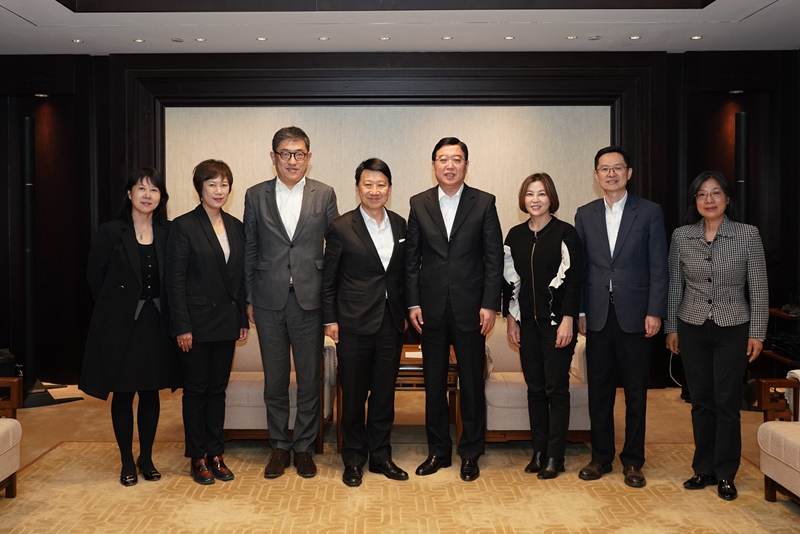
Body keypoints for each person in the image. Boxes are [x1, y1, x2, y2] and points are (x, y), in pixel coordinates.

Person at [665, 171, 768, 501]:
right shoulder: (682, 236)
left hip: (733, 326)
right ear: (694, 201)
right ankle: (704, 468)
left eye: (716, 193)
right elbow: (674, 285)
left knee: (726, 402)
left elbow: (759, 288)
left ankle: (725, 473)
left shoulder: (747, 234)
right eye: (702, 194)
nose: (709, 200)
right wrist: (671, 328)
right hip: (691, 325)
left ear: (727, 198)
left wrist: (757, 332)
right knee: (700, 401)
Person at [406, 137, 503, 482]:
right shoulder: (418, 203)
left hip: (472, 308)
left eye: (457, 159)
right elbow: (411, 259)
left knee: (471, 384)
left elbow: (494, 258)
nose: (450, 165)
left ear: (466, 165)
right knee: (433, 384)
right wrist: (413, 302)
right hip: (430, 308)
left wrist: (490, 304)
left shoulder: (484, 202)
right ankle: (438, 451)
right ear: (433, 165)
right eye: (443, 159)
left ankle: (471, 453)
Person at [244, 126, 339, 479]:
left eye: (299, 154)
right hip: (268, 300)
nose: (292, 160)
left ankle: (303, 448)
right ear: (273, 157)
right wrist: (249, 298)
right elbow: (250, 249)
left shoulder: (324, 194)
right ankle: (279, 446)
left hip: (309, 301)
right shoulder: (255, 195)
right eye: (285, 153)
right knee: (275, 381)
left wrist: (332, 303)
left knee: (310, 380)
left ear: (309, 157)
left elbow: (335, 251)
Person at [574, 146, 668, 488]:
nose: (611, 174)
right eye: (604, 169)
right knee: (599, 390)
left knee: (635, 392)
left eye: (617, 168)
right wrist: (580, 310)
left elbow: (659, 265)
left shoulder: (649, 212)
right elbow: (580, 269)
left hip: (637, 315)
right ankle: (601, 457)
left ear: (628, 173)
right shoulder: (585, 214)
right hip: (598, 314)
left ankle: (633, 460)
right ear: (596, 175)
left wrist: (655, 310)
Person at [81, 167, 180, 487]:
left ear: (161, 197)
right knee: (123, 394)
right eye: (141, 188)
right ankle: (126, 459)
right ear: (129, 193)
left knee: (150, 393)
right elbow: (95, 275)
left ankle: (146, 457)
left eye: (154, 190)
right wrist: (114, 309)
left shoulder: (169, 232)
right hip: (121, 325)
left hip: (156, 324)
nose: (147, 195)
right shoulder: (111, 231)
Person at [321, 158, 409, 487]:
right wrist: (329, 319)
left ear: (389, 188)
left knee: (384, 396)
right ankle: (354, 458)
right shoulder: (341, 226)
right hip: (353, 323)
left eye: (380, 184)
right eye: (367, 184)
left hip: (390, 322)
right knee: (354, 396)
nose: (374, 190)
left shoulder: (400, 225)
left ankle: (381, 456)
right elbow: (329, 280)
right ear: (357, 188)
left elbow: (404, 274)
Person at [166, 159, 249, 485]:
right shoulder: (184, 226)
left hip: (226, 322)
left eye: (224, 184)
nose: (219, 190)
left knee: (217, 391)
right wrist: (182, 325)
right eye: (212, 184)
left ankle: (216, 453)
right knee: (196, 391)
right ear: (199, 188)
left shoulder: (236, 226)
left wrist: (241, 318)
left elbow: (239, 279)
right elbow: (175, 281)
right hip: (196, 325)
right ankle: (197, 456)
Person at [502, 173, 583, 479]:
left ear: (551, 198)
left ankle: (555, 455)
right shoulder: (514, 235)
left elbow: (574, 281)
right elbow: (510, 283)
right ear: (523, 199)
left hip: (555, 325)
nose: (535, 200)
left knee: (555, 389)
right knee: (535, 389)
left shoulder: (565, 233)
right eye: (530, 194)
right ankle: (538, 451)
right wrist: (511, 319)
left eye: (541, 194)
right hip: (527, 325)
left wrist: (567, 320)